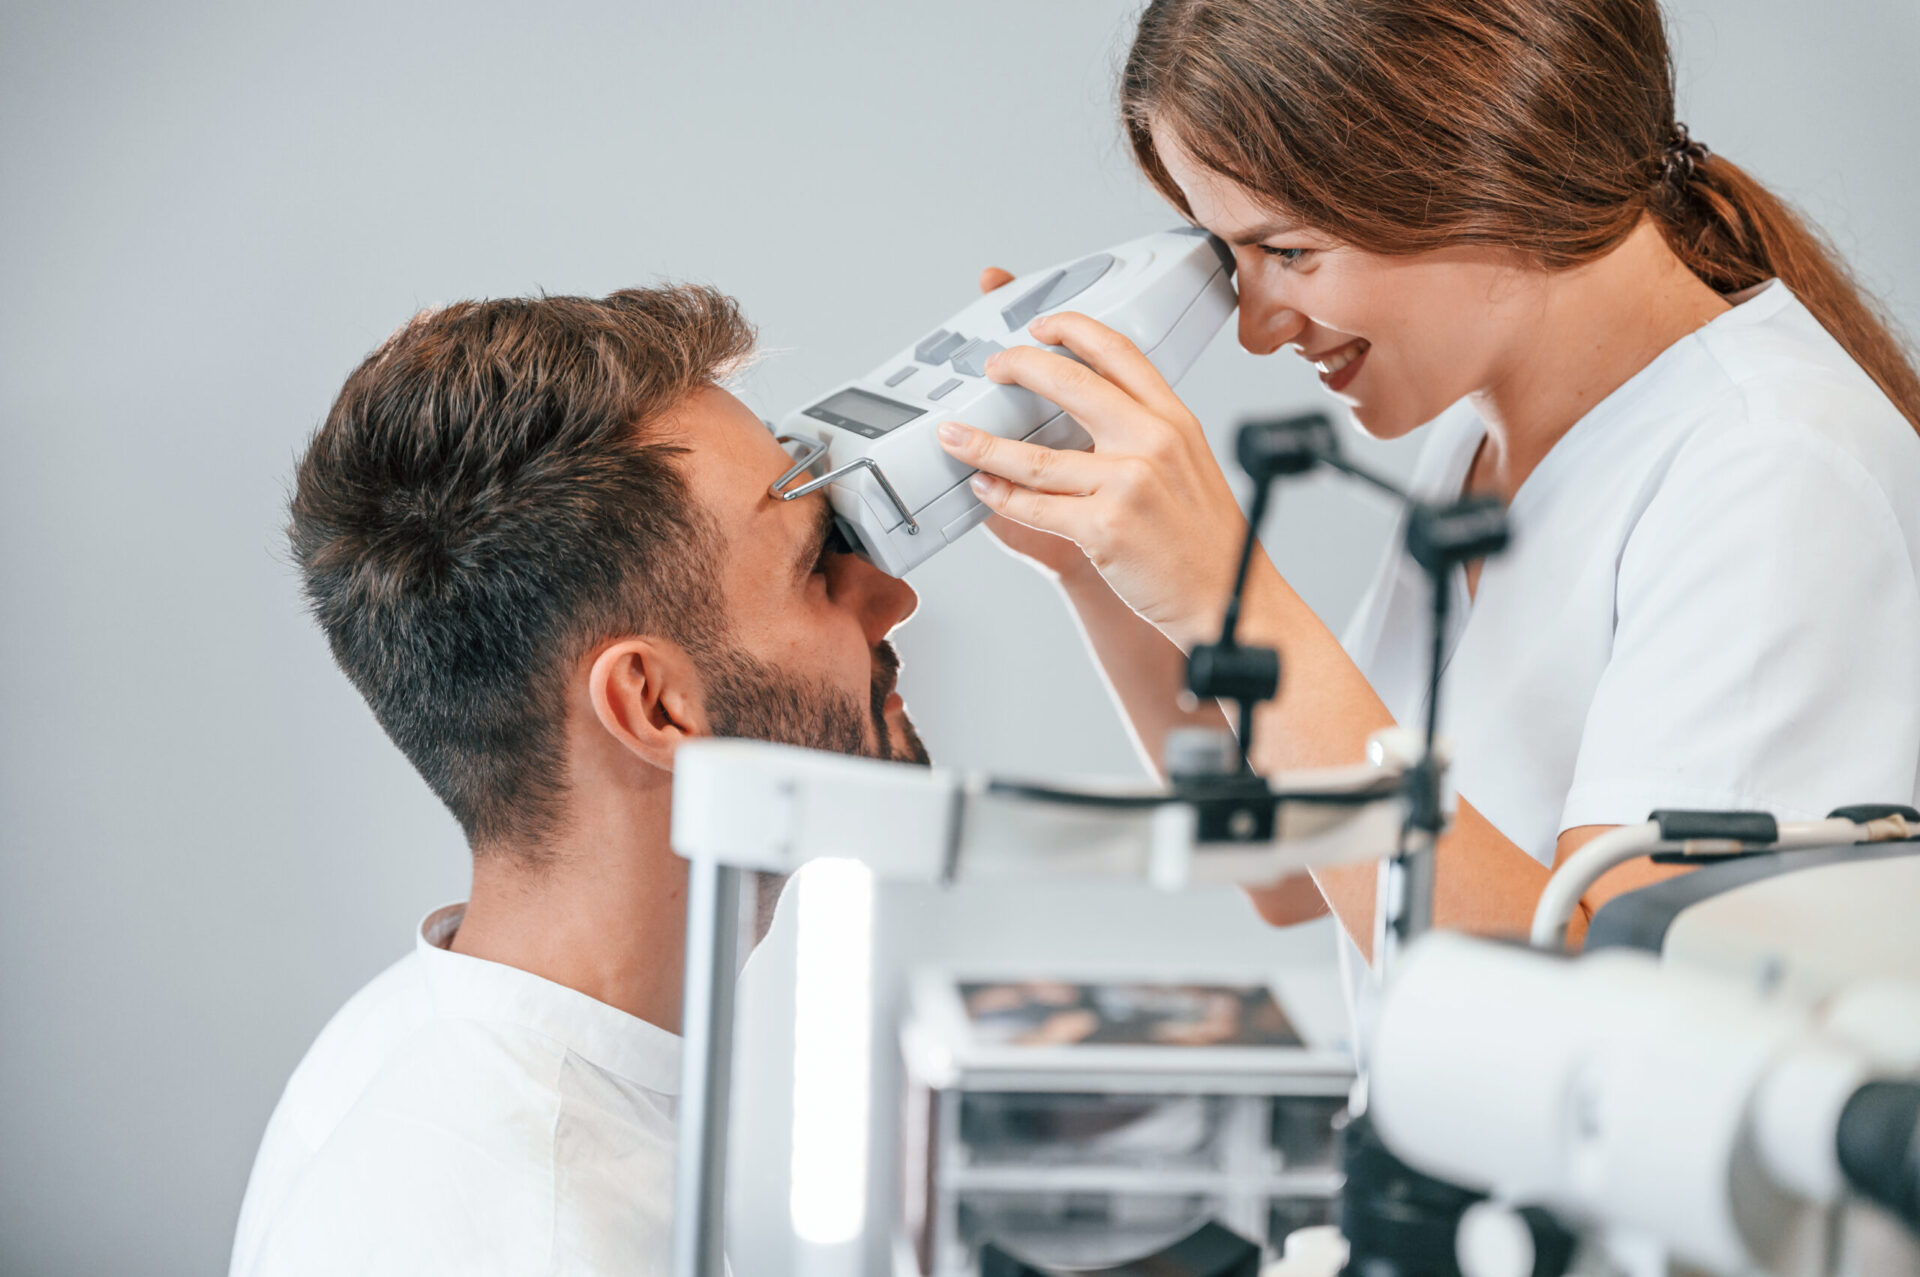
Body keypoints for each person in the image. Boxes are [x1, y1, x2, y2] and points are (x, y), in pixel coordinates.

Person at [940, 0, 1920, 963]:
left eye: (1288, 251)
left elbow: (1619, 1003)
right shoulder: (1482, 436)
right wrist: (1093, 558)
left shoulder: (1777, 473)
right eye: (1233, 256)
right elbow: (1293, 871)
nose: (1257, 329)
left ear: (1489, 163)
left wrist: (1238, 602)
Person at [231, 285, 924, 1276]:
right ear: (655, 705)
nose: (892, 596)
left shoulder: (412, 1033)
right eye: (817, 568)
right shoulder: (551, 1233)